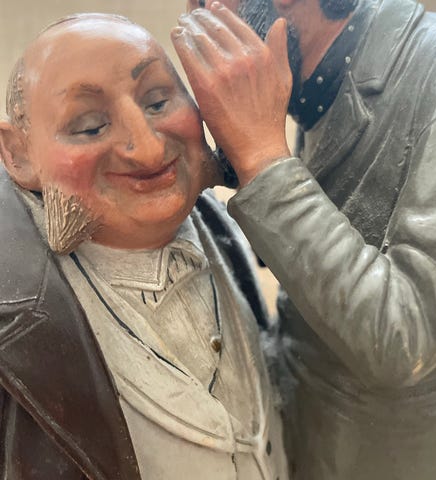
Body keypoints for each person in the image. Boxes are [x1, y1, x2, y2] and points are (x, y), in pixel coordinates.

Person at [173, 1, 436, 479]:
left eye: (208, 1)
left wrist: (262, 158)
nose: (202, 17)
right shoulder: (312, 87)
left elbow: (404, 337)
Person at [0, 13, 289, 480]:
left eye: (157, 101)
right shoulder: (14, 316)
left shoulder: (225, 229)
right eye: (90, 127)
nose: (149, 148)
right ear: (18, 154)